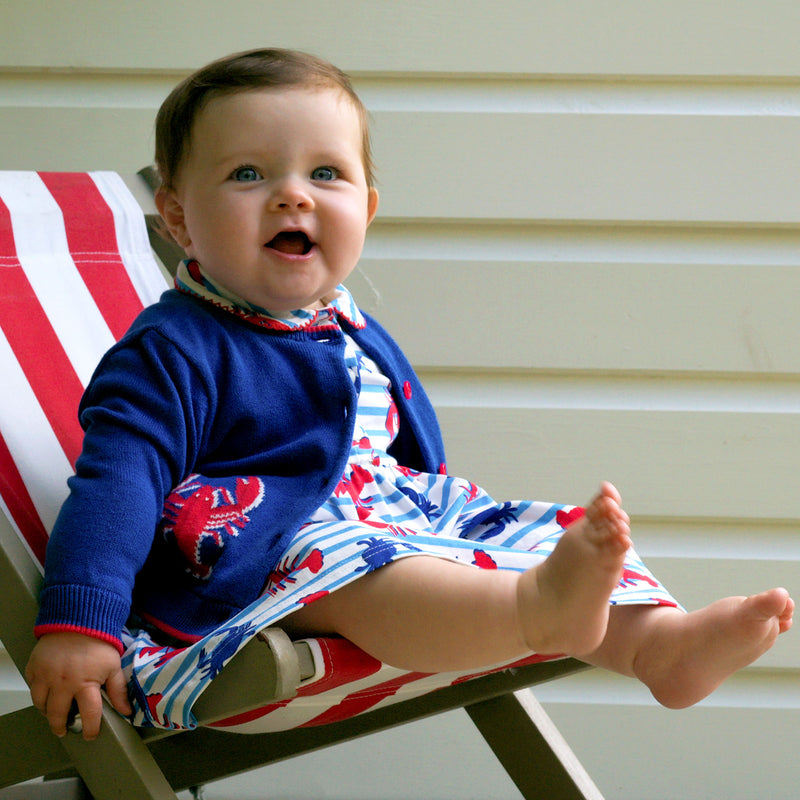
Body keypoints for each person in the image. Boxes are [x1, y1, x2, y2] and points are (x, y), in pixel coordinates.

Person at [25, 48, 794, 741]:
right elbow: (117, 481)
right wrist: (77, 624)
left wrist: (450, 518)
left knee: (531, 533)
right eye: (248, 174)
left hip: (378, 519)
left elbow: (404, 448)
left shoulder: (344, 326)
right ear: (179, 217)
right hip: (253, 559)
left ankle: (661, 648)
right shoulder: (174, 350)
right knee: (362, 561)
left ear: (368, 210)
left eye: (325, 174)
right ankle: (536, 612)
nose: (293, 196)